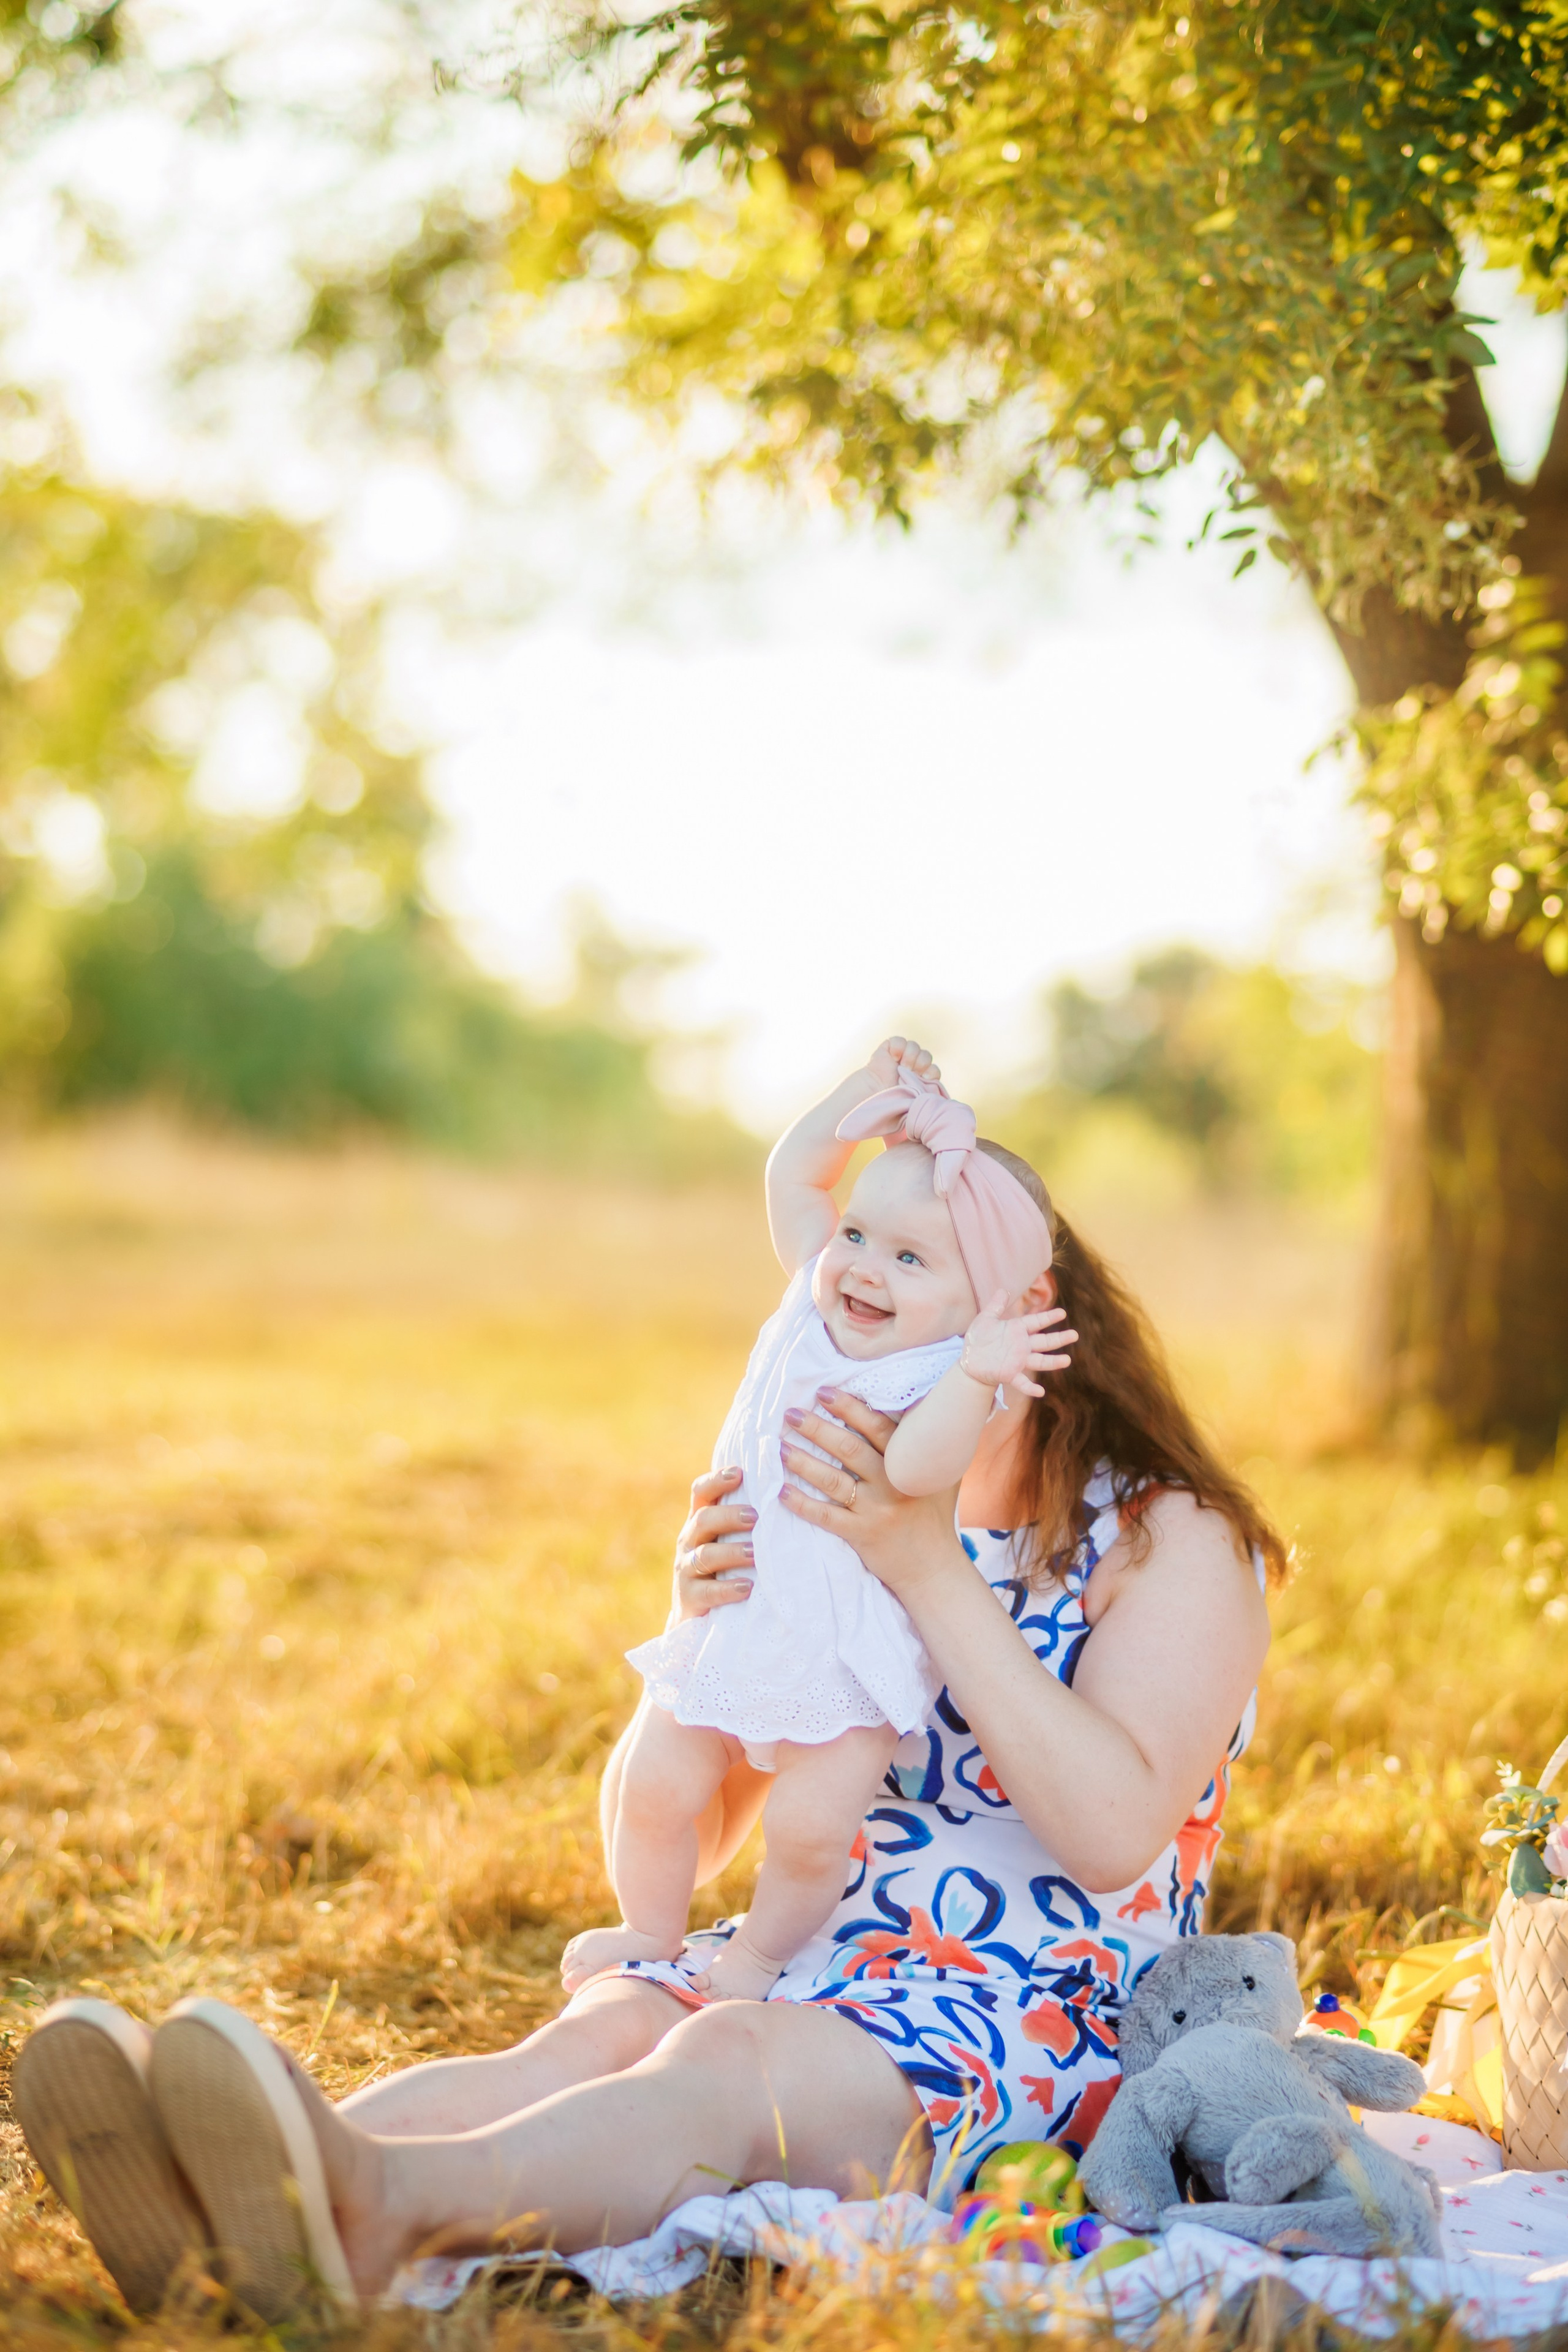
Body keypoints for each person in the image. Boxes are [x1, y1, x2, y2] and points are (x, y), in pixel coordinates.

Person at [13, 1179, 1282, 2323]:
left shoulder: (1168, 1539)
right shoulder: (824, 1505)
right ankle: (229, 2189)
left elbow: (1116, 1833)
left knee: (720, 2059)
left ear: (1019, 1311)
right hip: (805, 1956)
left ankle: (368, 2206)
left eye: (913, 1267)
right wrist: (698, 1645)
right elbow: (705, 1820)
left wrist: (920, 1563)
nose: (858, 1301)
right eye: (849, 1263)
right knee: (592, 2033)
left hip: (1032, 2018)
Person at [563, 1036, 1072, 2003]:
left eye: (911, 1257)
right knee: (659, 1785)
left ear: (988, 1308)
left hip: (848, 1650)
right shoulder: (808, 1300)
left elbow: (918, 1470)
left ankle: (754, 1959)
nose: (865, 1269)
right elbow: (794, 1175)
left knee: (808, 1831)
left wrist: (976, 1372)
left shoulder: (943, 1376)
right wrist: (864, 1093)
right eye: (858, 1237)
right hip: (742, 1610)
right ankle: (651, 1930)